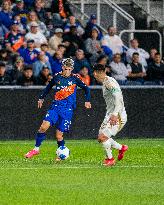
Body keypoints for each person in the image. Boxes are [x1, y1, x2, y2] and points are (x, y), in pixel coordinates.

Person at [24, 58, 91, 160]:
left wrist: (87, 100)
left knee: (59, 136)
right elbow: (48, 88)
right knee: (43, 127)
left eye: (69, 69)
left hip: (67, 110)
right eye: (65, 69)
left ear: (72, 68)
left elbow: (86, 89)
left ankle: (60, 154)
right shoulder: (57, 77)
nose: (67, 71)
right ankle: (36, 149)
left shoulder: (75, 78)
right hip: (55, 107)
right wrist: (41, 98)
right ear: (62, 67)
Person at [93, 63, 128, 166]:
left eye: (94, 73)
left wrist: (115, 114)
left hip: (117, 115)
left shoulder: (109, 83)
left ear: (96, 73)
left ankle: (110, 160)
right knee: (101, 137)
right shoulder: (106, 81)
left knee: (102, 137)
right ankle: (121, 148)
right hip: (110, 114)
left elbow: (118, 98)